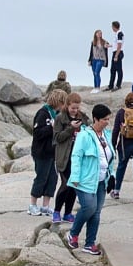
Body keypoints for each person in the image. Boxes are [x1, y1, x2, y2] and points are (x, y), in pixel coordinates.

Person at [67, 103, 116, 256]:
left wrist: (112, 176)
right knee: (89, 207)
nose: (107, 122)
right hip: (84, 180)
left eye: (108, 119)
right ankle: (73, 233)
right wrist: (75, 177)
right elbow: (76, 156)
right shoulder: (84, 135)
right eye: (104, 119)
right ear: (95, 119)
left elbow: (111, 157)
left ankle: (90, 244)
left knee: (96, 212)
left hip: (102, 180)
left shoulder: (107, 135)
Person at [51, 92, 85, 224]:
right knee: (65, 184)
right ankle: (56, 211)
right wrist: (72, 128)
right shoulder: (60, 118)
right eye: (73, 108)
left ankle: (68, 213)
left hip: (77, 157)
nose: (75, 110)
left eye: (77, 108)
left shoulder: (82, 117)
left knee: (74, 185)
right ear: (67, 105)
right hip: (64, 156)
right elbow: (57, 137)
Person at [29, 89, 64, 217]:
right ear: (57, 101)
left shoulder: (57, 114)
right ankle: (32, 205)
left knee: (52, 179)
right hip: (42, 152)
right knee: (41, 177)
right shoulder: (43, 113)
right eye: (62, 102)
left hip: (53, 152)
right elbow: (37, 133)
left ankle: (45, 206)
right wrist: (51, 127)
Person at [107, 21, 125, 91]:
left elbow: (119, 46)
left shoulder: (119, 34)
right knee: (112, 70)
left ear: (114, 26)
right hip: (115, 52)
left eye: (112, 26)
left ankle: (118, 85)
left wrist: (116, 56)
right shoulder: (117, 34)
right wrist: (109, 46)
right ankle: (110, 85)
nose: (112, 28)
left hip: (118, 53)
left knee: (119, 70)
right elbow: (115, 44)